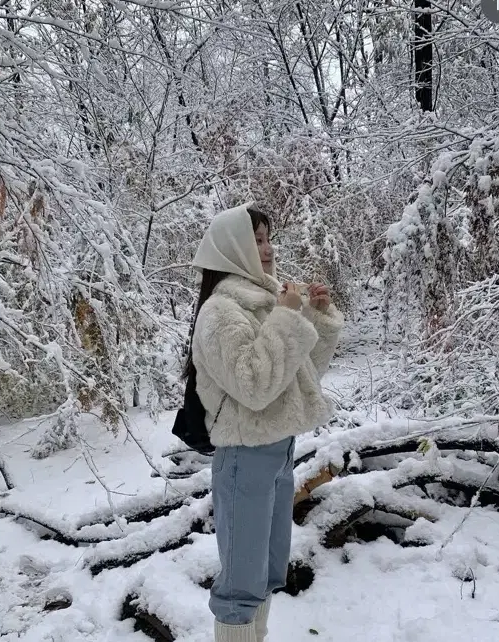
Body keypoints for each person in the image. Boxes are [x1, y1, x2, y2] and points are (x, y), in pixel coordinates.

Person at [186, 202, 344, 642]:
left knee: (266, 572)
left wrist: (315, 319)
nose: (268, 248)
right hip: (244, 457)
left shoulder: (266, 300)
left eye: (268, 238)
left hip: (278, 452)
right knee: (240, 585)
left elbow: (299, 374)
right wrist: (287, 318)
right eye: (256, 239)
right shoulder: (220, 312)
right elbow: (253, 385)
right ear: (232, 248)